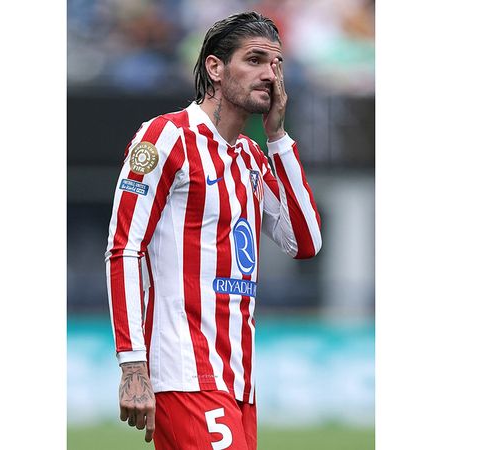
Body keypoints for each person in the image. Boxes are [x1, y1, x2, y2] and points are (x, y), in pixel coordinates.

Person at [105, 11, 322, 450]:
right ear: (215, 68)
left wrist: (278, 137)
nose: (270, 75)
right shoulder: (166, 137)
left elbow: (305, 242)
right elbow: (124, 248)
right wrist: (133, 366)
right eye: (255, 60)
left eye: (276, 64)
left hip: (238, 379)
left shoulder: (252, 157)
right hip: (184, 369)